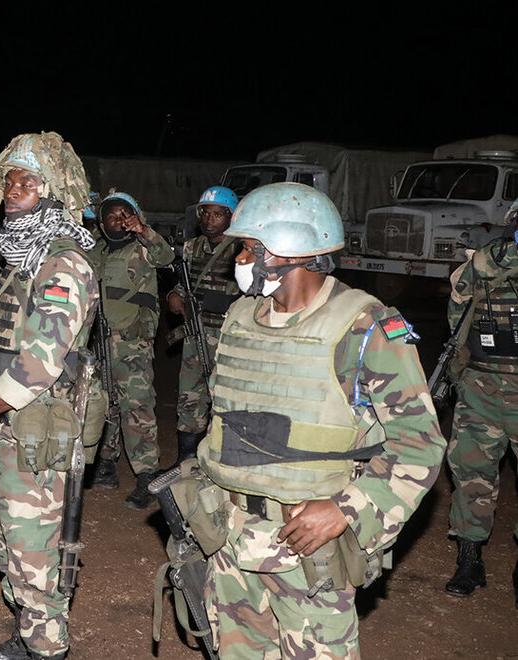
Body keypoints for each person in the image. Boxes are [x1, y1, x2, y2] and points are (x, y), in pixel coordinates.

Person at [191, 182, 445, 656]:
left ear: (290, 251)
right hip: (229, 536)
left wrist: (346, 508)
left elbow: (420, 445)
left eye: (248, 248)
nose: (238, 259)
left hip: (307, 549)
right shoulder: (240, 317)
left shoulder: (364, 329)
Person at [0, 131, 98, 660]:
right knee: (6, 540)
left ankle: (46, 648)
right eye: (9, 182)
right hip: (10, 420)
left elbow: (41, 362)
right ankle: (28, 637)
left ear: (53, 193)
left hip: (39, 427)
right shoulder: (23, 258)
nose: (13, 191)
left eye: (27, 183)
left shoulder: (63, 263)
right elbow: (5, 332)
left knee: (35, 554)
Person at [444, 199, 518, 605]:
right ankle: (469, 559)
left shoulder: (484, 262)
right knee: (471, 472)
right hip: (482, 386)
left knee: (473, 472)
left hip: (485, 384)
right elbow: (458, 316)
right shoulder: (481, 264)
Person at [87, 191, 174, 509]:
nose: (119, 219)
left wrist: (144, 231)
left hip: (131, 343)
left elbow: (166, 256)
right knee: (102, 403)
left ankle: (147, 475)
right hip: (96, 342)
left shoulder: (143, 249)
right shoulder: (94, 250)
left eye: (125, 213)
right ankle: (105, 463)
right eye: (111, 215)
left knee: (136, 407)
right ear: (101, 223)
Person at [167, 185, 240, 463]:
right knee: (190, 399)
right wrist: (174, 295)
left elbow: (252, 294)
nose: (210, 220)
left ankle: (219, 459)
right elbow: (184, 284)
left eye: (217, 214)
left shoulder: (241, 248)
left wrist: (217, 302)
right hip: (195, 333)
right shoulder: (192, 247)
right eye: (205, 213)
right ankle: (186, 461)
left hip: (227, 336)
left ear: (231, 216)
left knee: (224, 399)